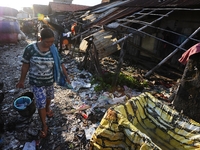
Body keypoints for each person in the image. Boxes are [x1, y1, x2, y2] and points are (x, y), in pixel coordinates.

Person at [16, 27, 70, 138]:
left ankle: (47, 109)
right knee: (40, 102)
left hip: (49, 81)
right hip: (36, 82)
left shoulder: (53, 49)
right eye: (47, 42)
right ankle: (44, 125)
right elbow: (25, 65)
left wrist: (66, 76)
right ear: (40, 38)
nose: (50, 44)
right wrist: (21, 80)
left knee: (49, 98)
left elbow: (61, 63)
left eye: (52, 41)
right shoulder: (30, 49)